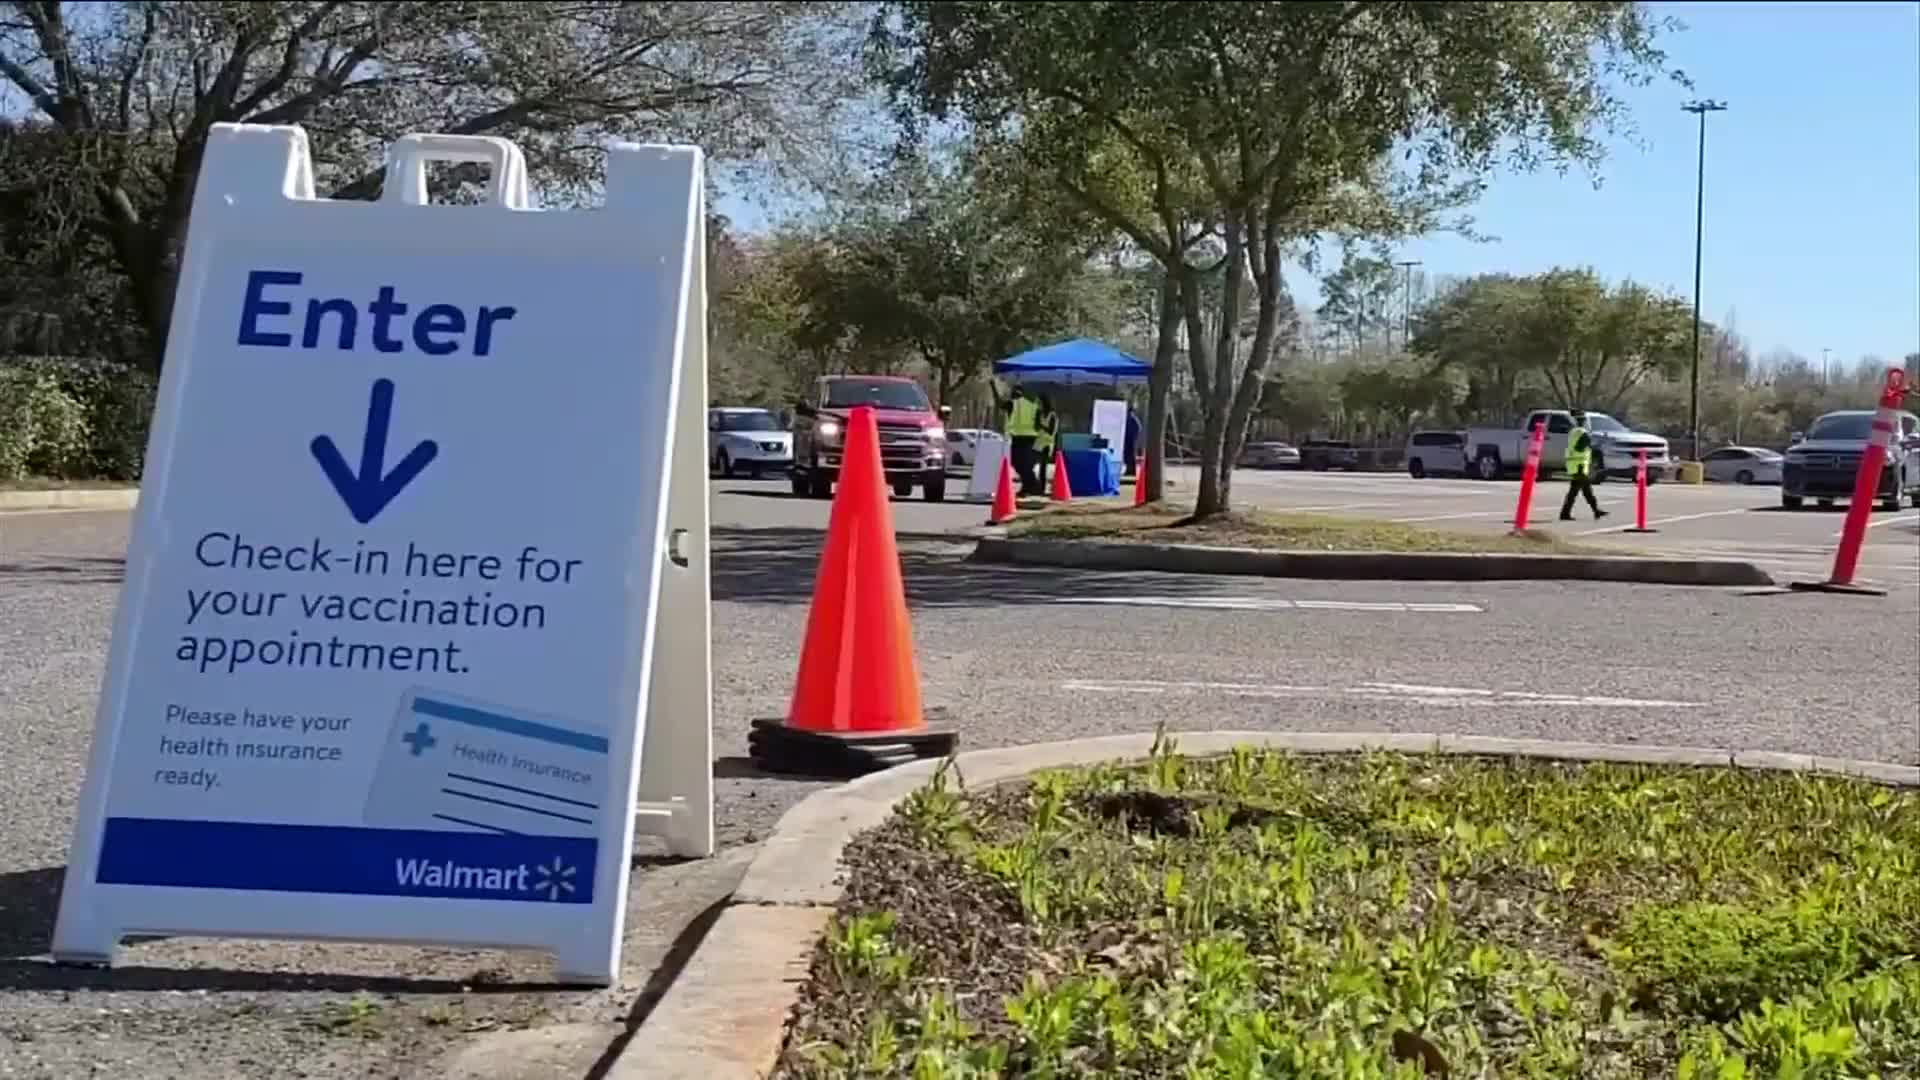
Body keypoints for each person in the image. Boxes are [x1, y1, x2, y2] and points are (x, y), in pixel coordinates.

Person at [1559, 410, 1608, 521]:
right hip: (1579, 465)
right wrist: (1596, 443)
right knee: (1581, 490)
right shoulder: (1583, 433)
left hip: (1574, 464)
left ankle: (1595, 511)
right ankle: (1567, 513)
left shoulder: (1573, 432)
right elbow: (1582, 447)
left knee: (1581, 490)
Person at [998, 385, 1042, 496]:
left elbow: (1000, 404)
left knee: (1018, 463)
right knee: (1024, 465)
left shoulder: (1012, 403)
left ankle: (1033, 485)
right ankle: (1029, 486)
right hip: (1031, 438)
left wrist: (993, 386)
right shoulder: (1031, 405)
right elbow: (1038, 423)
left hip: (1019, 438)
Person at [1034, 393, 1060, 493]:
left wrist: (1041, 426)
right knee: (1034, 465)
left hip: (1047, 444)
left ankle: (1042, 488)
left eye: (1039, 402)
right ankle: (1037, 485)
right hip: (1038, 442)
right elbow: (1036, 427)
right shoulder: (1040, 414)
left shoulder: (1052, 415)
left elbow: (1051, 431)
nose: (1038, 404)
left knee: (1043, 467)